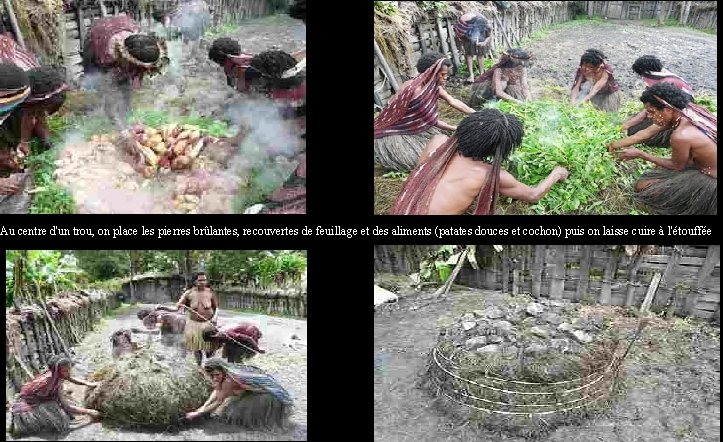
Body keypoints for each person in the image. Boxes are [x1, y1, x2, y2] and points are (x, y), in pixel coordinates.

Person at [391, 109, 569, 215]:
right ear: (497, 149)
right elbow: (533, 195)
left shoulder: (437, 142)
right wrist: (556, 174)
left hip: (403, 209)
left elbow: (420, 174)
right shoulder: (487, 174)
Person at [615, 82, 716, 215]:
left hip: (711, 178)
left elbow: (676, 167)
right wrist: (613, 145)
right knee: (658, 169)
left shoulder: (681, 135)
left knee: (643, 186)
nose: (649, 117)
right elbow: (645, 133)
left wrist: (641, 154)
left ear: (668, 110)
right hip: (704, 164)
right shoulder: (685, 112)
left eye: (652, 112)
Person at [374, 52, 475, 171]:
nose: (445, 77)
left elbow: (453, 101)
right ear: (430, 73)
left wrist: (476, 114)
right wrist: (457, 128)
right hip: (395, 132)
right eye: (442, 74)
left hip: (417, 127)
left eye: (446, 74)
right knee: (427, 161)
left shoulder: (433, 87)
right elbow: (432, 122)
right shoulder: (415, 91)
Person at [82, 14, 169, 128]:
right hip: (96, 39)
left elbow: (135, 76)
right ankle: (113, 119)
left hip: (122, 27)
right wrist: (122, 131)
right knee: (105, 86)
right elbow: (109, 93)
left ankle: (126, 115)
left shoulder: (143, 45)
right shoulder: (108, 57)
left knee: (126, 85)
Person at [608, 55, 695, 149]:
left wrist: (628, 125)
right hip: (668, 110)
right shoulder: (657, 77)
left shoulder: (666, 83)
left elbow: (646, 131)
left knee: (637, 132)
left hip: (679, 110)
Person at [184, 357, 293, 430]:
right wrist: (202, 407)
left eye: (217, 374)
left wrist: (197, 413)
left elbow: (219, 401)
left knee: (244, 415)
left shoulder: (229, 380)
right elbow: (217, 391)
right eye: (212, 375)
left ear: (223, 370)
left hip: (270, 395)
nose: (215, 378)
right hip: (256, 390)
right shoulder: (225, 372)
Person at [9, 355, 101, 437]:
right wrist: (90, 411)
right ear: (57, 371)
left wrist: (89, 384)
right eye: (66, 370)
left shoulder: (55, 375)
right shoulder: (48, 382)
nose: (69, 372)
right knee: (62, 422)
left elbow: (69, 378)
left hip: (40, 398)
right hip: (27, 408)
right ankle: (37, 423)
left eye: (69, 369)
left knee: (65, 394)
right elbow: (67, 406)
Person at [166, 272, 219, 366]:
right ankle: (199, 367)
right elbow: (176, 307)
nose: (203, 282)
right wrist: (163, 308)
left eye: (204, 280)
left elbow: (217, 308)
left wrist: (214, 318)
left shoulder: (210, 292)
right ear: (195, 281)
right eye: (200, 280)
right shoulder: (188, 293)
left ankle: (210, 367)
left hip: (209, 324)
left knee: (210, 350)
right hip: (194, 325)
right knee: (197, 348)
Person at [467, 48, 533, 108]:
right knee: (503, 83)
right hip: (493, 89)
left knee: (514, 88)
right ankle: (492, 101)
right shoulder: (499, 70)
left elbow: (525, 87)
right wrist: (516, 101)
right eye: (520, 61)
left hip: (508, 88)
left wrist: (529, 102)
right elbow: (498, 92)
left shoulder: (522, 69)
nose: (521, 64)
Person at [453, 12, 493, 83]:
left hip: (480, 34)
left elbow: (489, 36)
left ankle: (482, 74)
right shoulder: (463, 25)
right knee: (468, 53)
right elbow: (458, 35)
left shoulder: (486, 25)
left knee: (480, 54)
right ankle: (471, 75)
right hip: (467, 33)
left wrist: (484, 42)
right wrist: (461, 45)